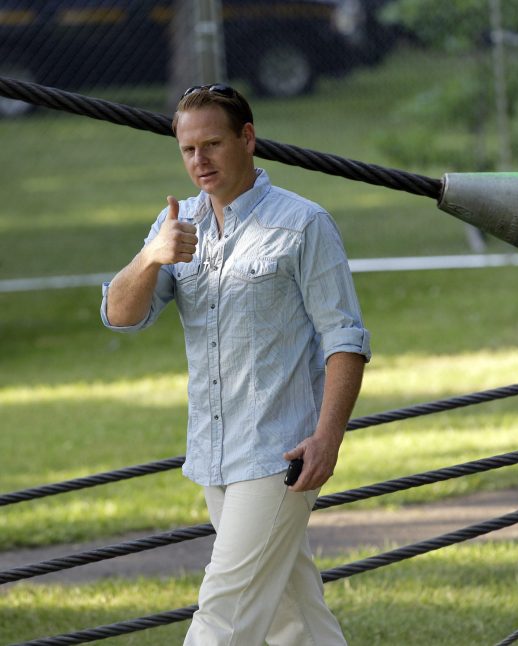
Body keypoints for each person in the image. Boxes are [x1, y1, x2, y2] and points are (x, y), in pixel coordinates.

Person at [100, 84, 370, 645]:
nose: (199, 160)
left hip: (280, 455)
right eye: (188, 149)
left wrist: (328, 438)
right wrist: (151, 255)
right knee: (293, 617)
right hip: (214, 454)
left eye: (213, 144)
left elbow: (344, 338)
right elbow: (121, 316)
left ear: (247, 138)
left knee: (223, 616)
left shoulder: (303, 224)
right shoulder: (176, 225)